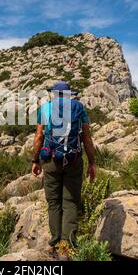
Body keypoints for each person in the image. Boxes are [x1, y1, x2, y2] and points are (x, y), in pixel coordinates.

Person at [31, 81, 96, 260]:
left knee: (54, 203)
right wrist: (92, 163)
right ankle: (66, 247)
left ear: (53, 94)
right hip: (74, 160)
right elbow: (87, 138)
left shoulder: (45, 108)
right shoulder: (79, 108)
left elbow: (38, 136)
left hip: (51, 160)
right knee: (71, 202)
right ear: (68, 95)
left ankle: (55, 243)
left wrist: (35, 160)